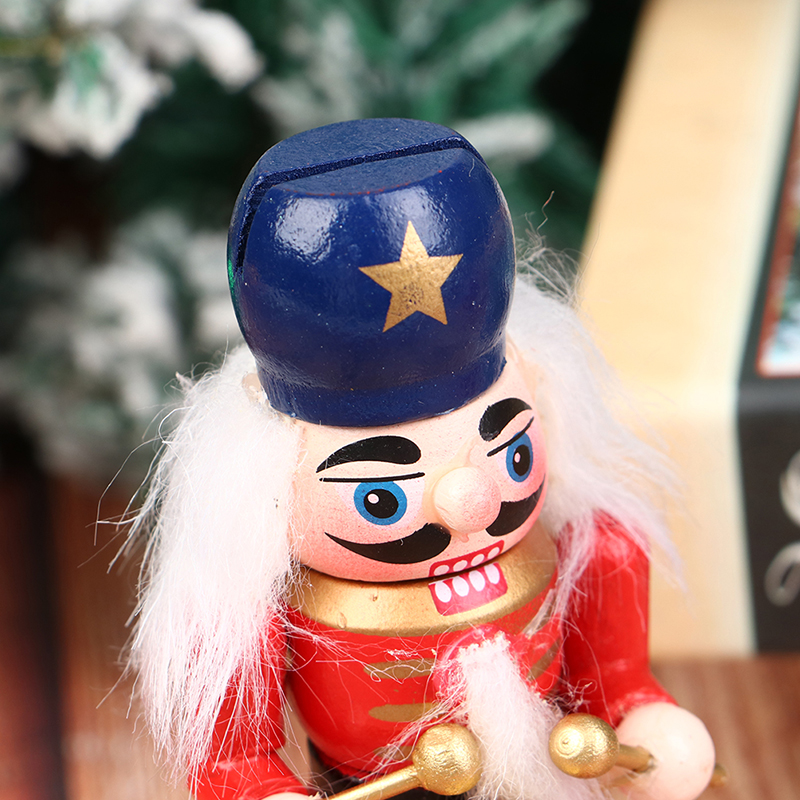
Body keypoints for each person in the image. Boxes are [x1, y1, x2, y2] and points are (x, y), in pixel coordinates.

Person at [128, 119, 716, 800]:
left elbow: (613, 682)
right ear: (272, 479)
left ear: (537, 388)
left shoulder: (585, 546)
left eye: (511, 455)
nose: (471, 502)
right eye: (382, 496)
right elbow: (232, 760)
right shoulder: (251, 616)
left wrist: (639, 721)